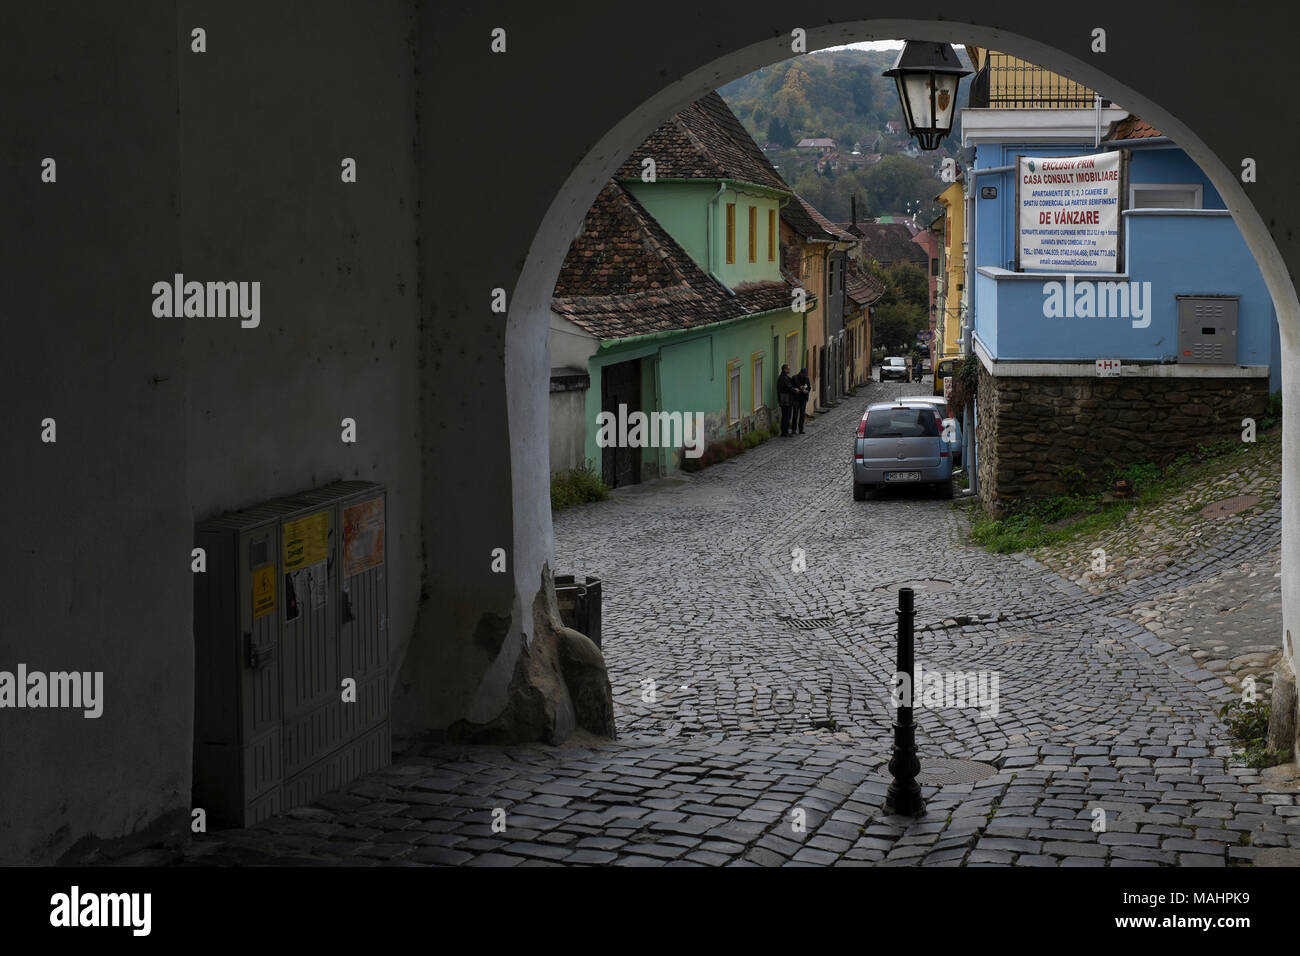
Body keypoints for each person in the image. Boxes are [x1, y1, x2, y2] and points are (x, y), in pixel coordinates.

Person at [777, 364, 796, 437]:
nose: (789, 370)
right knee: (786, 416)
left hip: (786, 400)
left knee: (787, 416)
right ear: (784, 369)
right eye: (788, 369)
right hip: (785, 400)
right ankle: (784, 431)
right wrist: (795, 390)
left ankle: (785, 431)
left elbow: (790, 385)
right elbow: (788, 387)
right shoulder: (783, 378)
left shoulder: (785, 377)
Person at [792, 367, 811, 433]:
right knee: (795, 414)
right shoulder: (794, 378)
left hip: (803, 398)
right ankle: (793, 429)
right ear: (800, 373)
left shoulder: (806, 378)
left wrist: (807, 391)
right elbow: (792, 387)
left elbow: (809, 387)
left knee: (802, 414)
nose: (804, 376)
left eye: (805, 374)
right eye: (803, 374)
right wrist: (799, 388)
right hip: (796, 398)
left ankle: (801, 429)